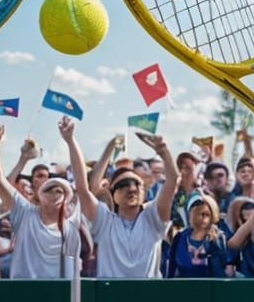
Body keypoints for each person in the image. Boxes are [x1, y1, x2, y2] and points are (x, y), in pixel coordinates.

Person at [64, 116, 177, 279]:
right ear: (113, 196)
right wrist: (70, 140)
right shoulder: (104, 222)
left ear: (144, 192)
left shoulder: (153, 217)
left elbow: (172, 181)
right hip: (110, 298)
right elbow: (82, 188)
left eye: (136, 184)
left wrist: (164, 153)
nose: (131, 189)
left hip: (150, 298)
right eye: (123, 185)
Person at [0, 121, 81, 277]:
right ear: (39, 196)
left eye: (60, 191)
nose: (55, 193)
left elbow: (73, 275)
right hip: (21, 295)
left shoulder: (70, 229)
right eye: (49, 190)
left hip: (56, 297)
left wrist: (70, 140)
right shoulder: (25, 213)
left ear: (66, 199)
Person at [163, 193, 230, 278]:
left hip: (211, 288)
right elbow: (171, 270)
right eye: (199, 214)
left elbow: (222, 269)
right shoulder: (180, 237)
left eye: (207, 214)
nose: (203, 218)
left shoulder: (218, 238)